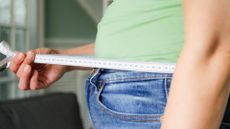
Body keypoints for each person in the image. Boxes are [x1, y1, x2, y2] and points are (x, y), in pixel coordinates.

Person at [9, 0, 230, 129]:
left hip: (169, 94)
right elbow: (148, 34)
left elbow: (216, 49)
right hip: (144, 93)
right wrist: (64, 58)